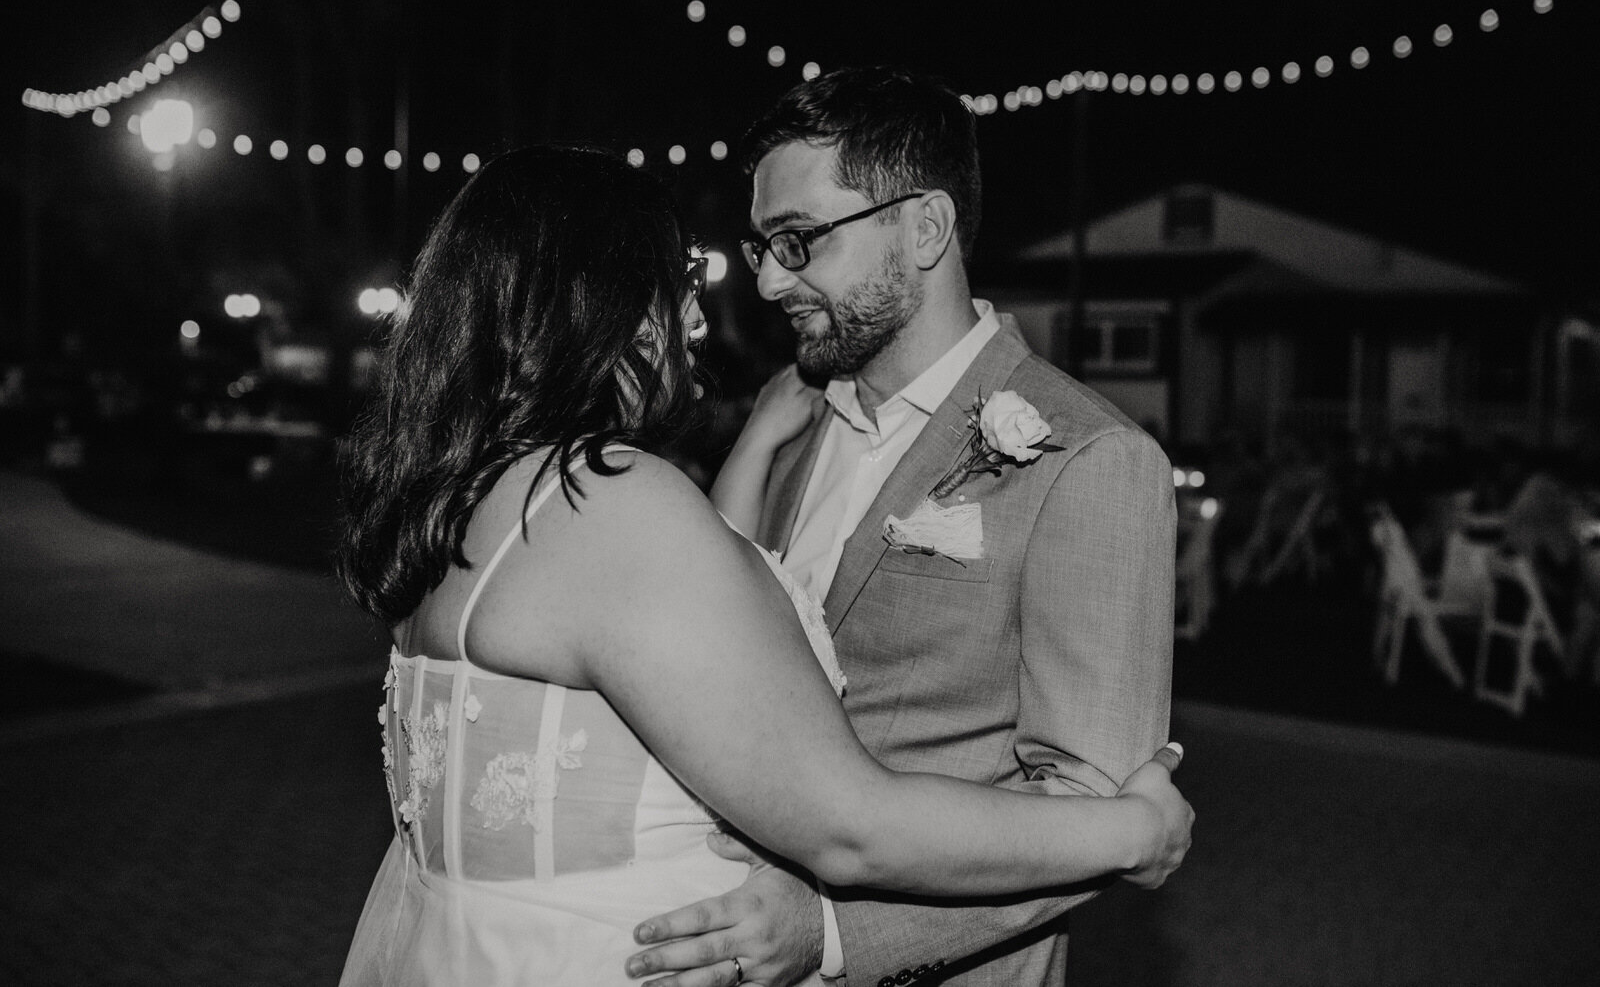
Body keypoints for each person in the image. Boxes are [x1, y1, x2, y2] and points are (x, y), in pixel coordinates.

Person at [334, 145, 1191, 986]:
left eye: (798, 240)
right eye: (680, 284)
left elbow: (670, 635)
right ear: (604, 300)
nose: (705, 316)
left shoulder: (463, 502)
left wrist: (749, 450)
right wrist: (1135, 833)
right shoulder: (613, 501)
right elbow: (848, 823)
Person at [626, 67, 1179, 987]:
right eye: (760, 246)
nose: (768, 282)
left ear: (925, 228)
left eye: (799, 241)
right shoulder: (794, 428)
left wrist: (835, 933)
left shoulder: (1089, 459)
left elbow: (1092, 811)